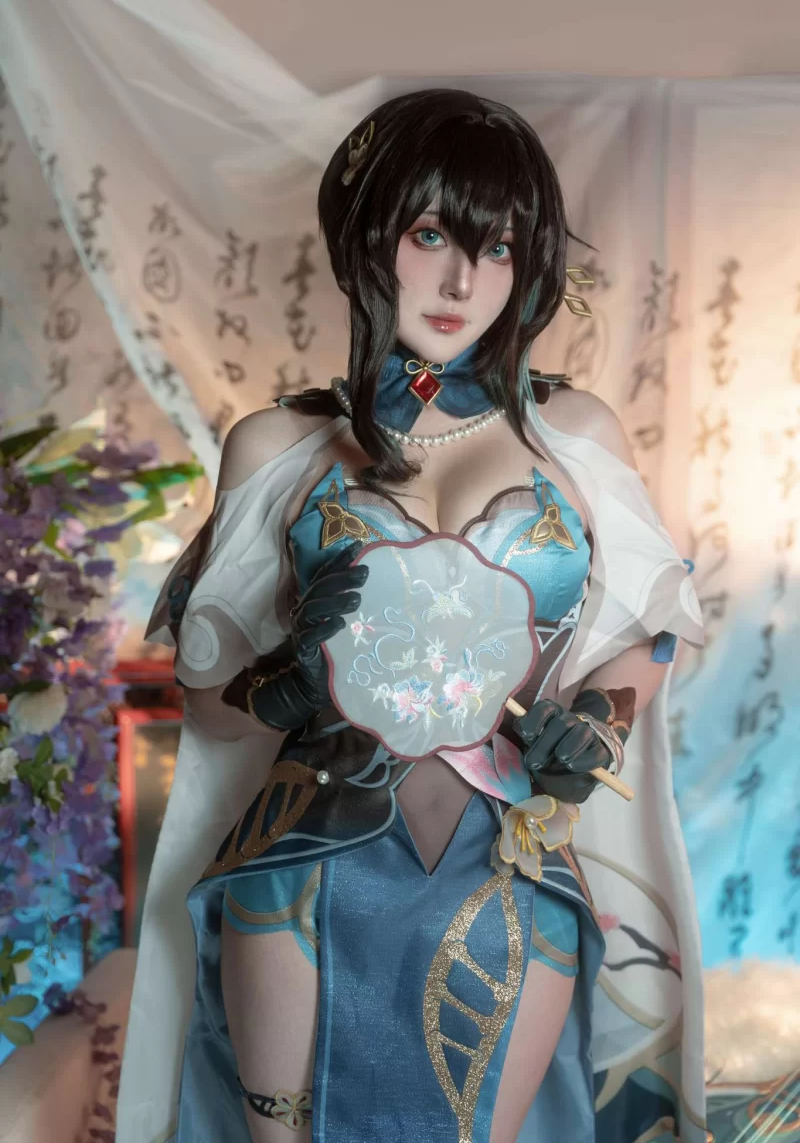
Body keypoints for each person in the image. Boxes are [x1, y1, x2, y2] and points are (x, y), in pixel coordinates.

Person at [117, 89, 707, 1143]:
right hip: (301, 861)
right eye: (430, 234)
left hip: (512, 859)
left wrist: (599, 721)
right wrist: (277, 688)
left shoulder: (575, 434)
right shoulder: (278, 445)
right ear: (365, 238)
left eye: (497, 248)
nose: (460, 281)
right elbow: (204, 697)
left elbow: (649, 631)